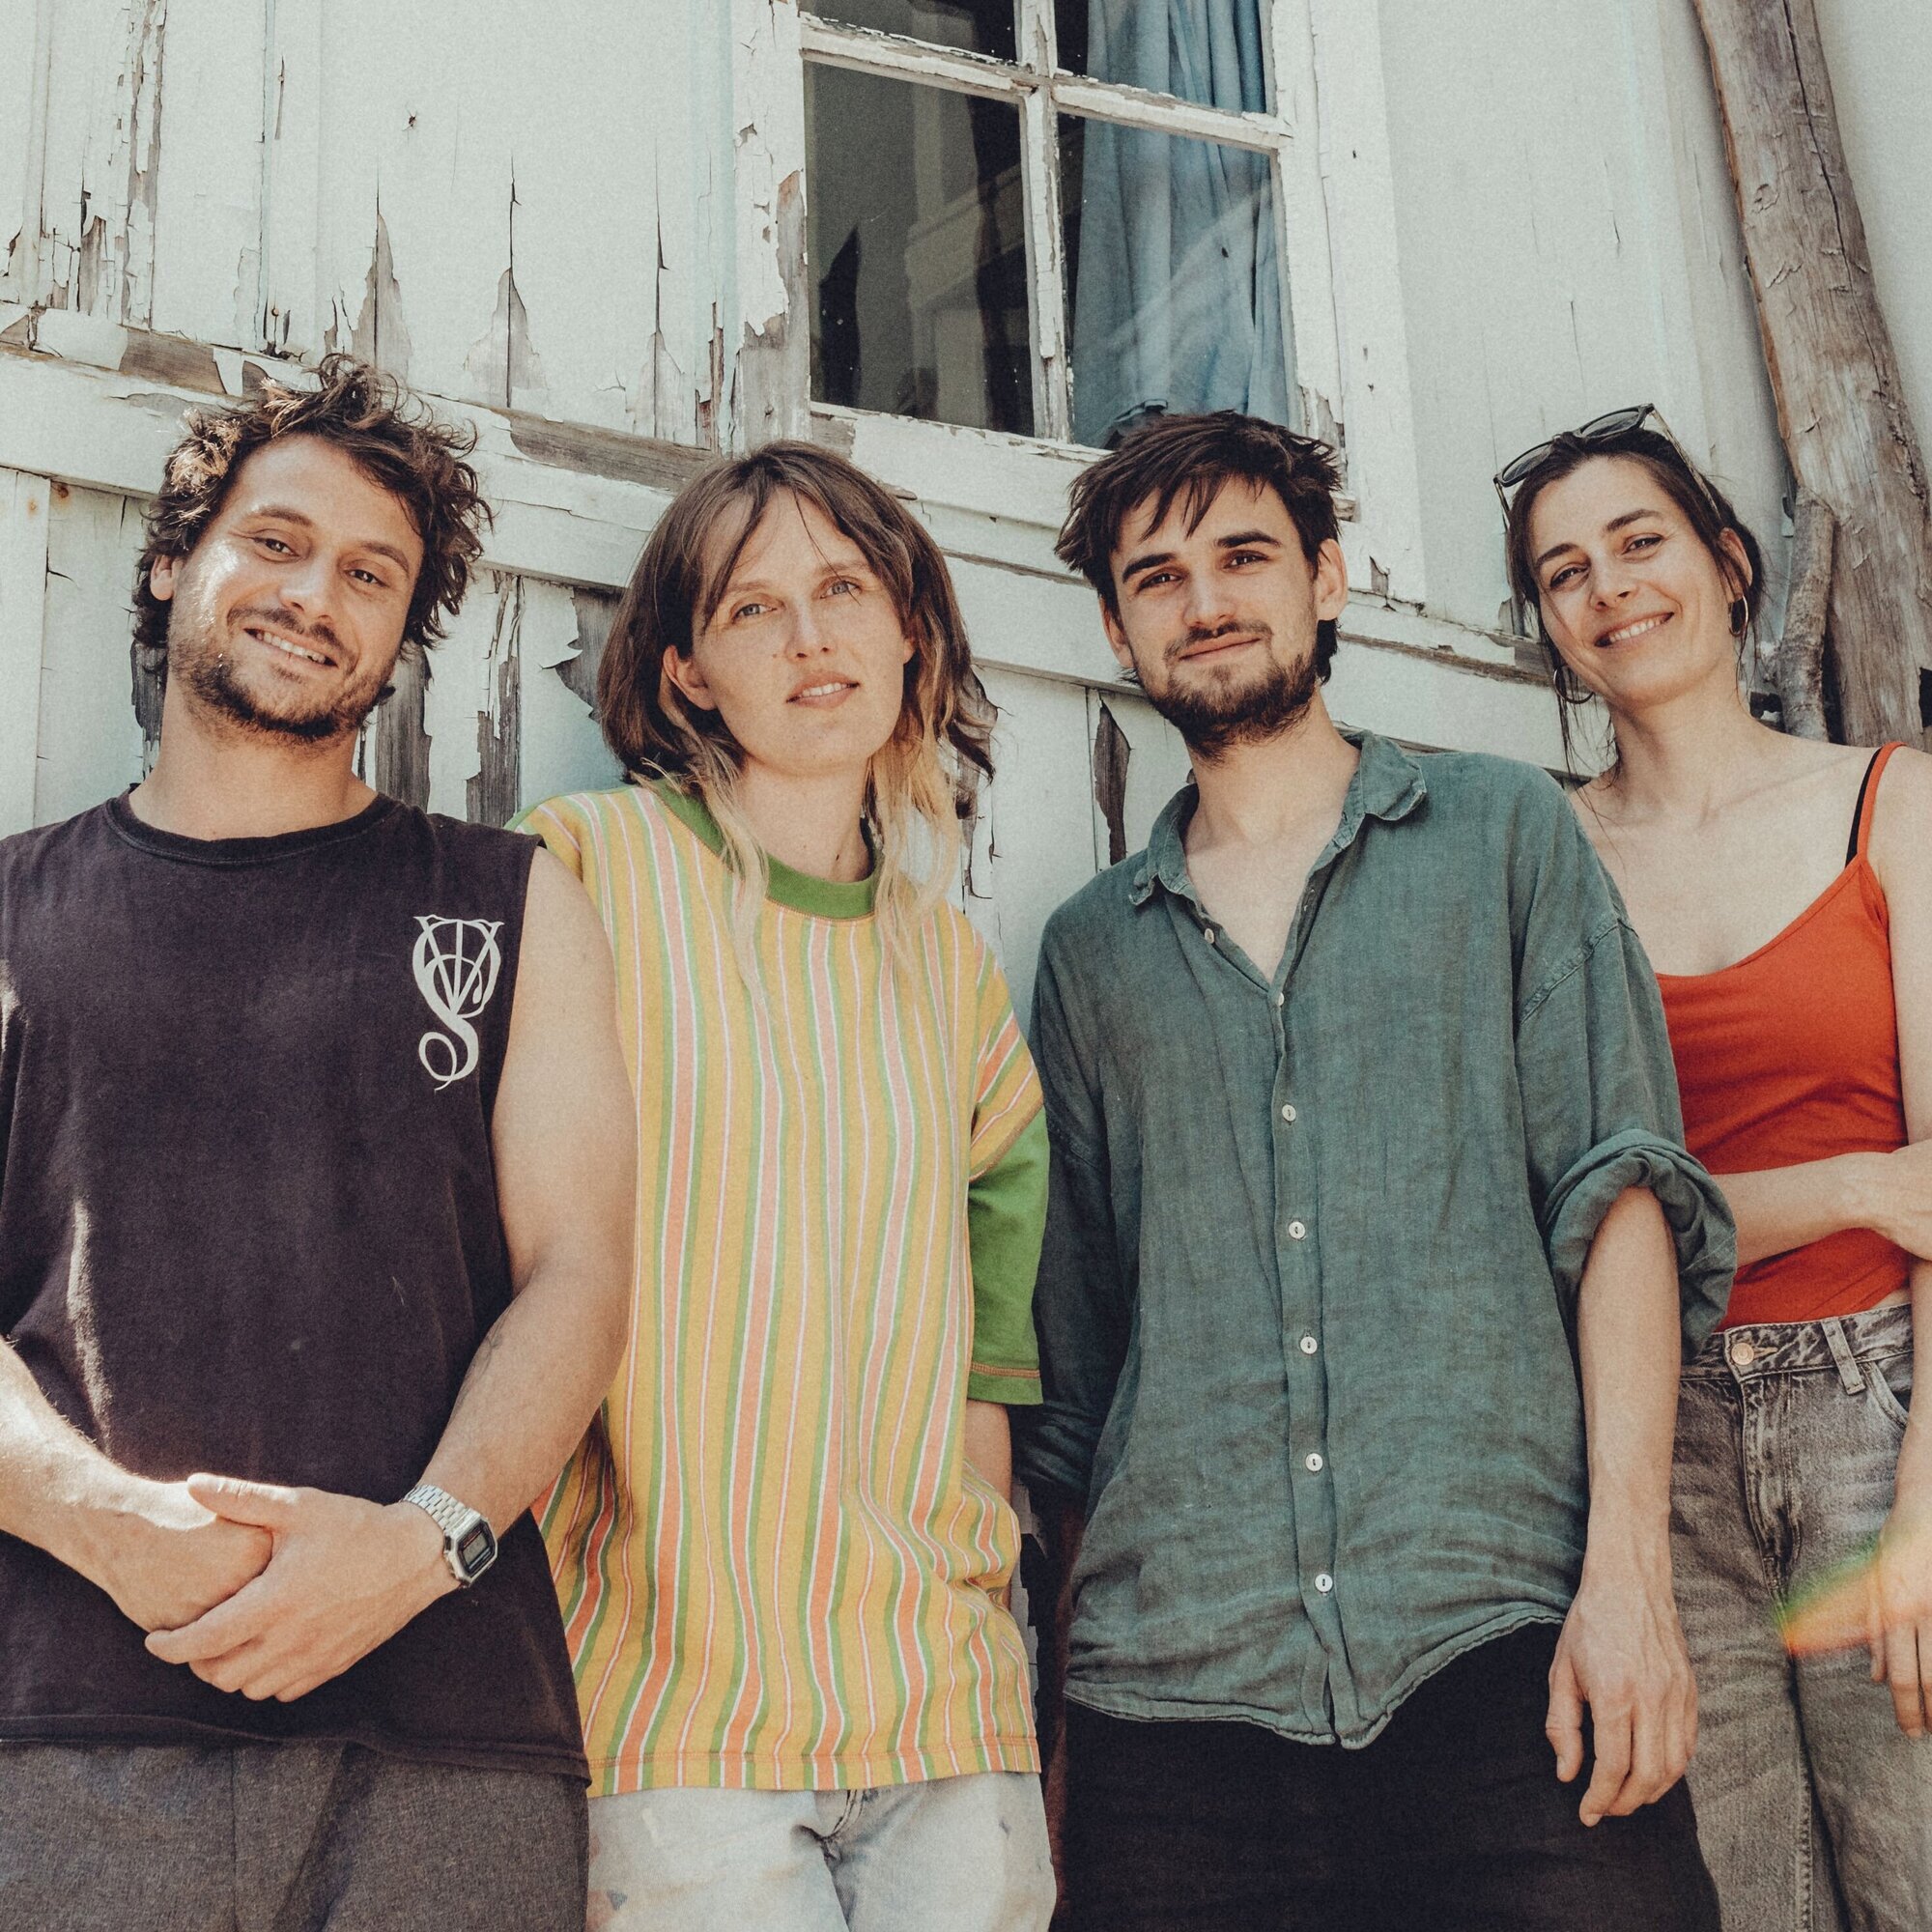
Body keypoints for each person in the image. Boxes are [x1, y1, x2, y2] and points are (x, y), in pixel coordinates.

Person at [1017, 409, 1736, 1931]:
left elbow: (1619, 1200)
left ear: (1328, 578)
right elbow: (1075, 1373)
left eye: (1245, 556)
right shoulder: (1089, 955)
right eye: (1157, 578)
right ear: (1117, 630)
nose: (1205, 601)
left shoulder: (1501, 834)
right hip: (1175, 1710)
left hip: (1504, 1648)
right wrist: (1062, 1736)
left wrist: (1631, 1582)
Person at [0, 355, 637, 1931]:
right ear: (174, 560)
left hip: (447, 1738)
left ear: (403, 635)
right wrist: (106, 1524)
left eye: (369, 574)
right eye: (275, 542)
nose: (313, 596)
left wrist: (423, 1547)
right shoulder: (10, 912)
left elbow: (579, 1279)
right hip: (63, 1727)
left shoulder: (508, 904)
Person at [519, 441, 1057, 1932]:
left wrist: (979, 1598)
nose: (812, 637)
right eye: (754, 609)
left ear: (910, 631)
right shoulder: (583, 870)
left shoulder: (950, 971)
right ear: (688, 674)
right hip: (672, 1706)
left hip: (943, 1709)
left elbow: (990, 1358)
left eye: (844, 591)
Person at [1502, 406, 1932, 1930]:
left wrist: (1929, 1510)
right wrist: (1855, 1185)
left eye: (1642, 542)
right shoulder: (1539, 860)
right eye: (1565, 572)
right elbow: (1551, 1218)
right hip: (1652, 1441)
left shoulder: (1893, 804)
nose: (1610, 587)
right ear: (1547, 626)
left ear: (1729, 562)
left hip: (1885, 1413)